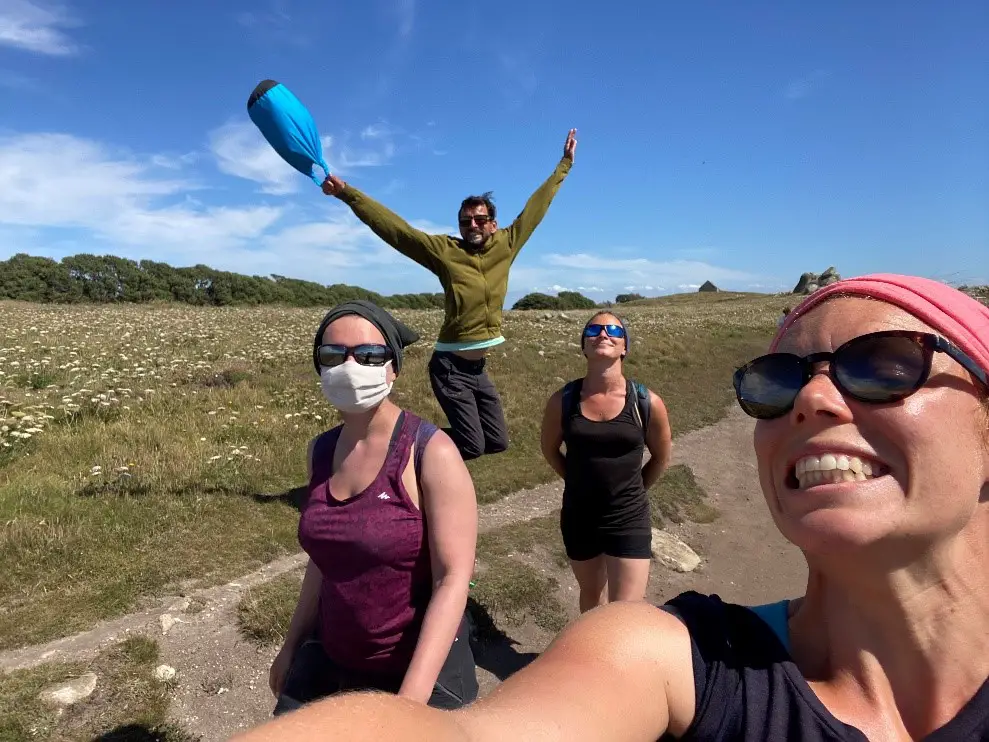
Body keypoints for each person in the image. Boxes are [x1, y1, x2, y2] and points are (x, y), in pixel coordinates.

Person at [235, 273, 989, 740]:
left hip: (626, 515)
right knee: (593, 617)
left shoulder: (640, 400)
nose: (814, 398)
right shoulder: (692, 662)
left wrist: (407, 706)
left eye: (884, 366)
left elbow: (654, 452)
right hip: (573, 518)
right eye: (775, 382)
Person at [268, 300, 480, 715]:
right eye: (333, 355)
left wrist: (410, 703)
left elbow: (453, 578)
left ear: (394, 367)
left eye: (368, 355)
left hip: (420, 674)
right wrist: (291, 645)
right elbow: (324, 560)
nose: (350, 366)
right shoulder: (321, 450)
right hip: (333, 657)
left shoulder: (430, 451)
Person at [320, 129, 578, 461]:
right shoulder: (444, 251)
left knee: (497, 443)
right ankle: (397, 448)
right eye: (465, 221)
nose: (471, 225)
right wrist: (347, 194)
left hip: (477, 369)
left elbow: (537, 207)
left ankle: (412, 442)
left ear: (493, 224)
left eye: (479, 219)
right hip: (450, 367)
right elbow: (398, 231)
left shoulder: (508, 243)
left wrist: (564, 165)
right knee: (472, 446)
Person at [540, 311, 673, 611]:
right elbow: (549, 450)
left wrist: (633, 490)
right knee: (591, 598)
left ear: (624, 346)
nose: (603, 334)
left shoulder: (647, 402)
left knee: (625, 610)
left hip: (628, 517)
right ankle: (591, 657)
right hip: (579, 517)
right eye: (593, 330)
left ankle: (619, 659)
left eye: (613, 329)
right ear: (584, 346)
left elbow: (662, 457)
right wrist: (576, 480)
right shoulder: (563, 400)